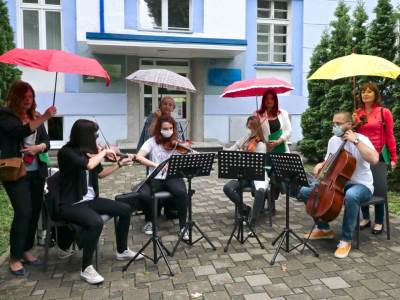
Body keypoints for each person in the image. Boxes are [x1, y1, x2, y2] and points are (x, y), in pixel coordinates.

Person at [57, 119, 143, 284]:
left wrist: (119, 163)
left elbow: (99, 174)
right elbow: (88, 166)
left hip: (89, 200)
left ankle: (122, 250)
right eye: (94, 135)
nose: (97, 139)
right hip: (71, 204)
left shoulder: (87, 152)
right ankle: (86, 268)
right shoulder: (66, 153)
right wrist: (103, 152)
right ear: (85, 136)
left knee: (125, 209)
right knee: (96, 223)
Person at [298, 111, 379, 259]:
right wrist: (320, 165)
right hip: (337, 182)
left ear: (349, 125)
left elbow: (374, 159)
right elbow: (330, 160)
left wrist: (355, 141)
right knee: (305, 191)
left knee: (351, 195)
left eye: (338, 124)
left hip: (361, 185)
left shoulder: (362, 139)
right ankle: (324, 229)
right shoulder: (333, 140)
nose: (334, 126)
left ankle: (346, 240)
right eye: (333, 123)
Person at [0, 81, 56, 276]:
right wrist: (46, 117)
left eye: (30, 97)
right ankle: (14, 258)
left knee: (33, 213)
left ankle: (25, 250)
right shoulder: (5, 115)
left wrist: (39, 147)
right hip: (15, 172)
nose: (27, 100)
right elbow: (19, 132)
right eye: (23, 97)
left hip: (36, 172)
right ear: (15, 97)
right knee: (23, 211)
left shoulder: (35, 116)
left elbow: (46, 142)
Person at [353, 82, 397, 234]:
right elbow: (354, 134)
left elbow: (390, 135)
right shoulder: (357, 113)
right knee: (362, 184)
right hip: (362, 154)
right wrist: (354, 123)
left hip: (378, 155)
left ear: (375, 95)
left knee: (378, 188)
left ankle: (379, 221)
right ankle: (365, 217)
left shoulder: (384, 112)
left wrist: (393, 158)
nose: (365, 94)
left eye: (369, 91)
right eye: (363, 91)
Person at [135, 115, 189, 239]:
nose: (168, 131)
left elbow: (183, 156)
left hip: (172, 177)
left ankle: (183, 227)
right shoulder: (151, 141)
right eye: (165, 128)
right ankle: (150, 221)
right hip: (156, 177)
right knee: (145, 195)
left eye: (171, 128)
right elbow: (139, 157)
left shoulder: (176, 143)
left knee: (182, 193)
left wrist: (190, 153)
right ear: (159, 129)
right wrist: (157, 165)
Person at [223, 116, 267, 231]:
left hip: (258, 174)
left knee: (260, 191)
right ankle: (244, 208)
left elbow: (257, 163)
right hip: (244, 173)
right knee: (228, 188)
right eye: (249, 128)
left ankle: (253, 220)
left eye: (253, 129)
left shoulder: (261, 144)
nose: (251, 132)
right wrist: (223, 150)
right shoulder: (246, 138)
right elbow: (232, 149)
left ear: (257, 128)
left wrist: (243, 155)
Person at [253, 90, 292, 209]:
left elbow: (288, 131)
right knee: (265, 175)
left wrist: (278, 141)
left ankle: (272, 202)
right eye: (267, 98)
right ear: (263, 100)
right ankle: (262, 201)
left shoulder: (283, 113)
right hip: (266, 151)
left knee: (276, 178)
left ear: (275, 100)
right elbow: (255, 134)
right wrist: (256, 124)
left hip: (280, 150)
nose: (269, 101)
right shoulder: (258, 114)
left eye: (272, 98)